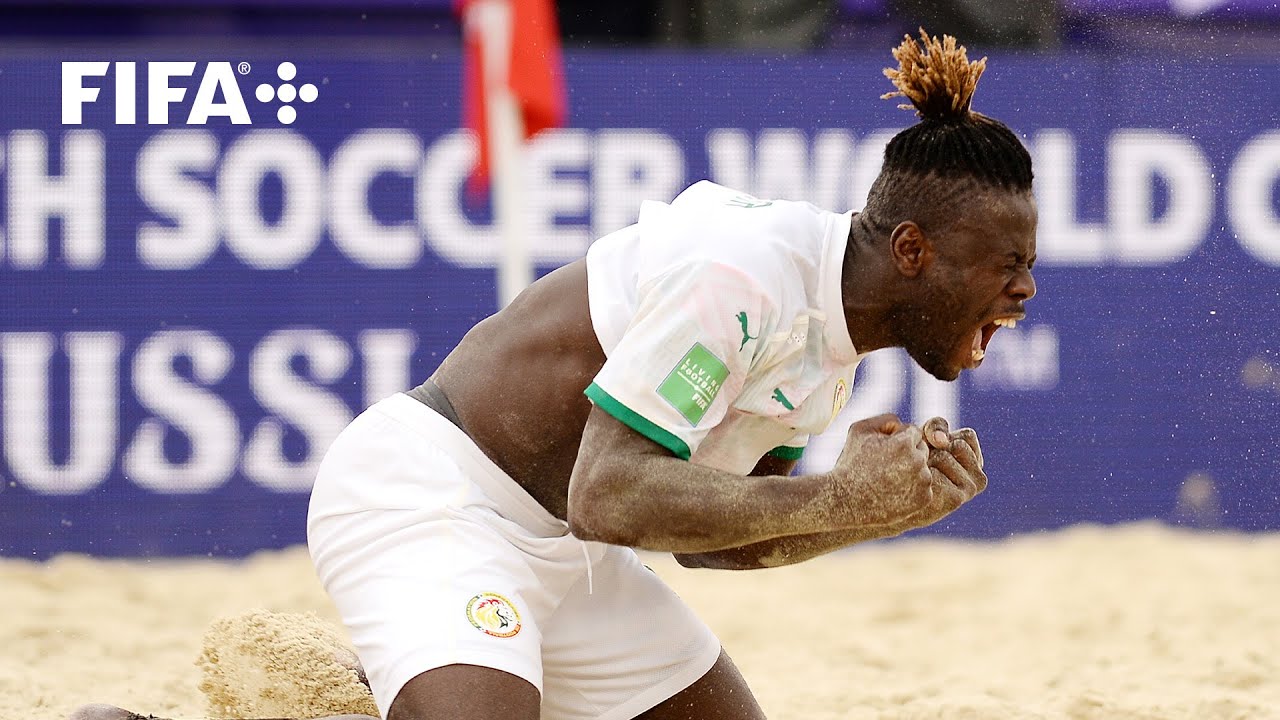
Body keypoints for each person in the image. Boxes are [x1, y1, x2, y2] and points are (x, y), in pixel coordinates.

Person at [72, 29, 1036, 720]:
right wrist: (837, 497)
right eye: (1006, 267)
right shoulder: (745, 274)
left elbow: (704, 539)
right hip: (434, 500)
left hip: (566, 546)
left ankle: (390, 690)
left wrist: (873, 509)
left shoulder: (833, 338)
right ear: (912, 250)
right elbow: (612, 493)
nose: (1025, 289)